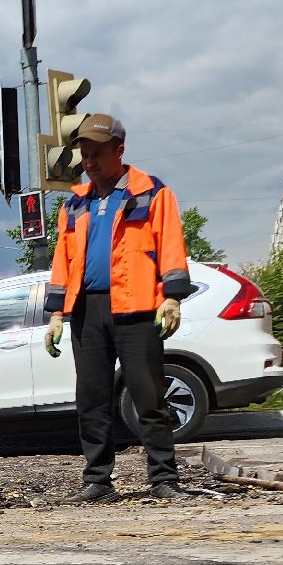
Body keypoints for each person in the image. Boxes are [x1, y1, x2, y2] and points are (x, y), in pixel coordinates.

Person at [42, 114, 193, 502]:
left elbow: (172, 248)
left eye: (97, 154)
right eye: (85, 155)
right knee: (91, 399)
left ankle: (164, 480)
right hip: (87, 312)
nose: (89, 162)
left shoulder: (152, 193)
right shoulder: (75, 204)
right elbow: (63, 260)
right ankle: (97, 481)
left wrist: (172, 297)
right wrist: (57, 314)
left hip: (139, 308)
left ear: (119, 150)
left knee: (149, 398)